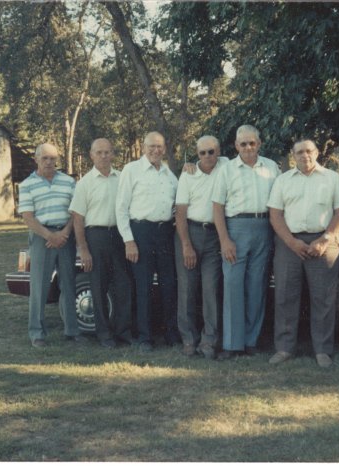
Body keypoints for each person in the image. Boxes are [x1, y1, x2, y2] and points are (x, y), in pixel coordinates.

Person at [266, 139, 339, 368]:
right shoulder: (283, 181)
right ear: (293, 155)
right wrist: (292, 242)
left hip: (323, 242)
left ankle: (322, 351)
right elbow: (275, 215)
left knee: (322, 298)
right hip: (289, 242)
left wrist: (325, 239)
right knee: (285, 296)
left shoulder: (333, 178)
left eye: (309, 151)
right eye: (300, 152)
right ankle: (284, 349)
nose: (305, 155)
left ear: (317, 153)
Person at [211, 125, 280, 360]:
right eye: (243, 144)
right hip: (235, 228)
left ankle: (251, 341)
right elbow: (217, 207)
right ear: (236, 146)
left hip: (264, 227)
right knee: (232, 285)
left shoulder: (271, 167)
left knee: (257, 286)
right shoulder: (227, 170)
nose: (248, 148)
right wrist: (224, 240)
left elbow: (279, 203)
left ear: (259, 144)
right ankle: (232, 344)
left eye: (252, 143)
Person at [115, 131, 179, 352]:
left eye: (159, 146)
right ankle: (144, 337)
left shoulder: (170, 175)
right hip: (140, 232)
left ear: (164, 148)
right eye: (151, 146)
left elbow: (175, 206)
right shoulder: (131, 171)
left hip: (164, 233)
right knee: (142, 286)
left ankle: (171, 333)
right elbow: (121, 208)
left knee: (169, 284)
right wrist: (129, 241)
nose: (155, 150)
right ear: (143, 147)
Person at [69, 138, 133, 348]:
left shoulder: (123, 178)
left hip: (120, 235)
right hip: (96, 237)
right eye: (99, 152)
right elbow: (78, 218)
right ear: (92, 155)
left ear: (112, 154)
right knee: (98, 286)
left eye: (107, 152)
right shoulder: (84, 183)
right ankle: (104, 334)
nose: (104, 156)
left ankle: (123, 332)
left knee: (123, 285)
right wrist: (83, 249)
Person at [18, 143, 83, 347]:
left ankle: (72, 331)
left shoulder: (68, 182)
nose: (49, 162)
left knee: (69, 284)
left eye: (52, 158)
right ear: (36, 159)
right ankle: (37, 333)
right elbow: (28, 218)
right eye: (44, 158)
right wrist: (49, 236)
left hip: (65, 236)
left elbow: (76, 211)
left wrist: (64, 233)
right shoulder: (27, 185)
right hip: (41, 237)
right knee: (39, 286)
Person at [174, 135, 228, 359]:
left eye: (211, 152)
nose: (207, 156)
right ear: (197, 155)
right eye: (202, 152)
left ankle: (209, 341)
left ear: (219, 152)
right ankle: (189, 339)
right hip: (190, 233)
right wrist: (186, 245)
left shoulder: (226, 167)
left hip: (215, 235)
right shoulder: (188, 174)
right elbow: (180, 213)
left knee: (211, 290)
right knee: (186, 289)